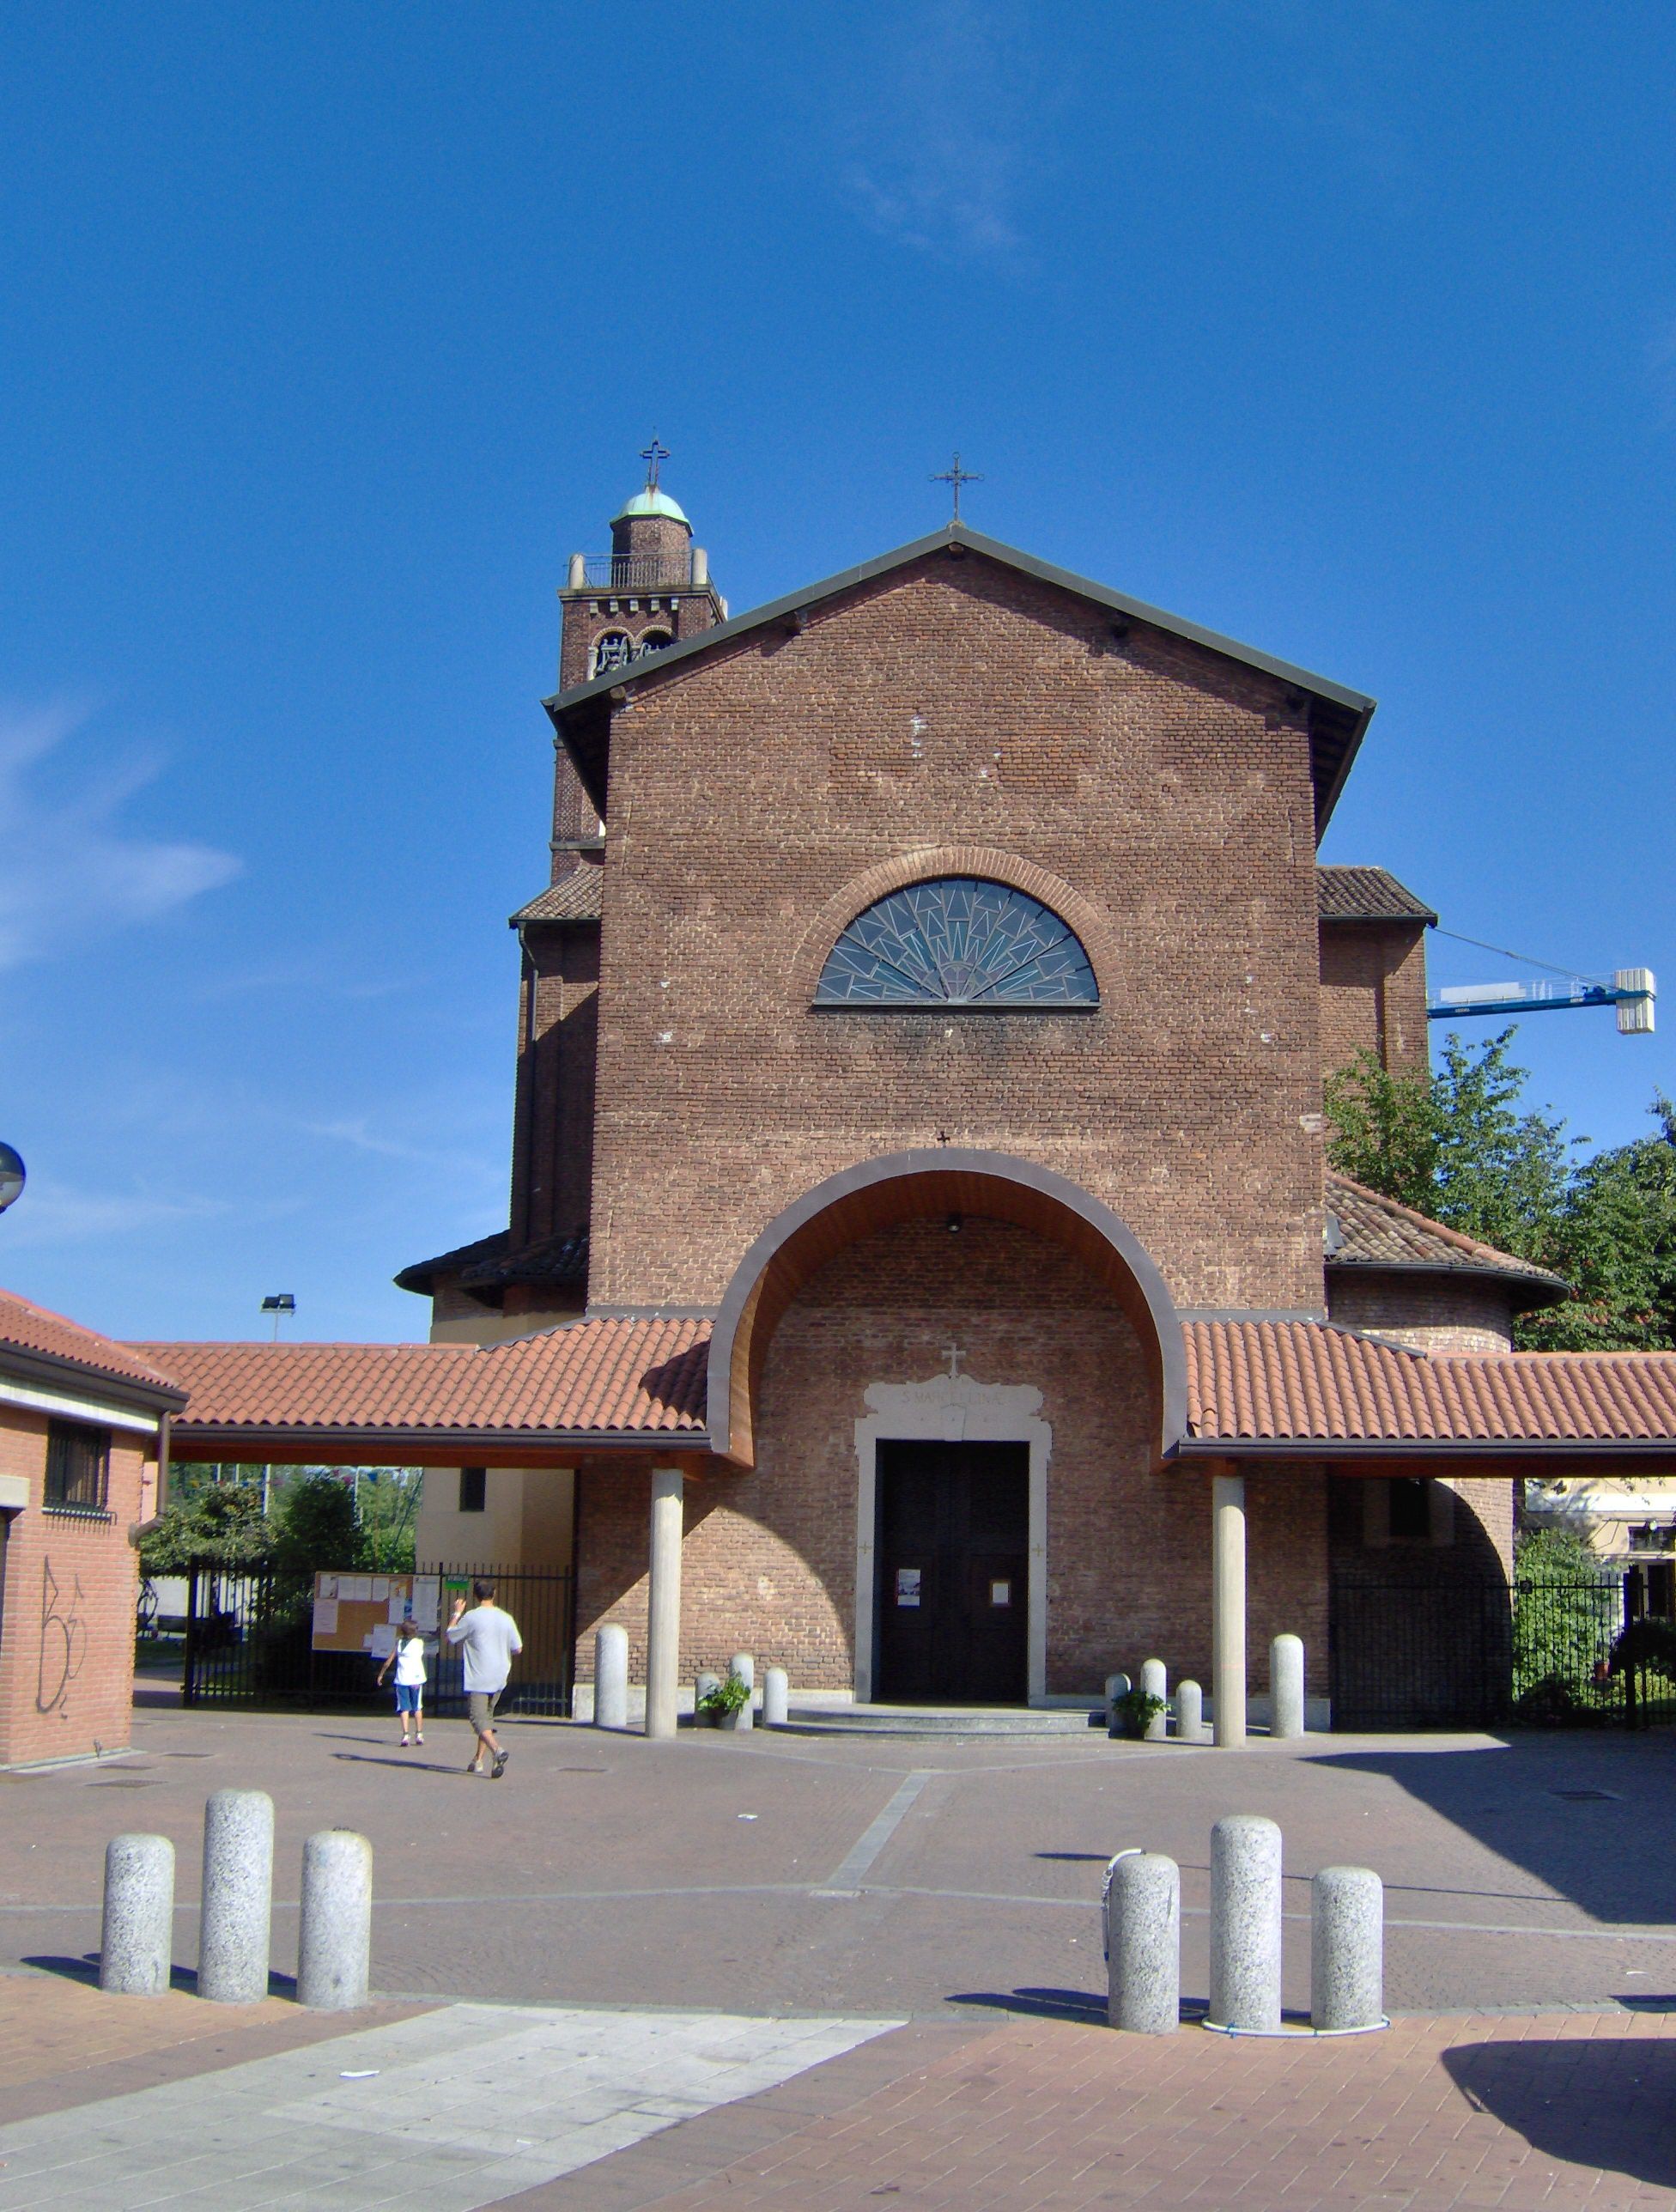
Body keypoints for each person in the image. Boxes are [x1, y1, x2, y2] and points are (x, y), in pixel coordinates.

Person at [446, 1578, 522, 1778]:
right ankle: (478, 1760)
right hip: (499, 1675)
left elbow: (451, 1636)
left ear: (475, 1596)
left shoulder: (472, 1617)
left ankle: (498, 1750)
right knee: (487, 1718)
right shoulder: (506, 1618)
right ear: (494, 1594)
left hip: (479, 1676)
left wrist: (456, 1613)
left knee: (477, 1718)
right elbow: (518, 1648)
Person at [376, 1616, 428, 1747]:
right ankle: (419, 1734)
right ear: (415, 1632)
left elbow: (388, 1662)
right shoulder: (419, 1643)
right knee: (417, 1706)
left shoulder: (399, 1644)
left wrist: (381, 1674)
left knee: (404, 1707)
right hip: (416, 1678)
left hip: (402, 1679)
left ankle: (405, 1735)